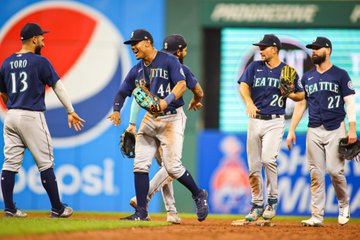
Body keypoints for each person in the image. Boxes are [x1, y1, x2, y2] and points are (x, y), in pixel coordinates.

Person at [107, 29, 208, 221]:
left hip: (172, 118)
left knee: (172, 167)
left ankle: (198, 193)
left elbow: (180, 85)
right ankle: (141, 213)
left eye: (135, 43)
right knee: (140, 164)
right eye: (131, 44)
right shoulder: (137, 69)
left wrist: (166, 101)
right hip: (151, 119)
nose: (133, 47)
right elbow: (123, 91)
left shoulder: (169, 61)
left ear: (147, 42)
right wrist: (117, 110)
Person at [0, 23, 85, 218]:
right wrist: (70, 111)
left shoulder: (6, 62)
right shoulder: (40, 62)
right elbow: (58, 86)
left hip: (11, 115)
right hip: (31, 115)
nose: (43, 42)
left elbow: (3, 93)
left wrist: (14, 106)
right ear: (33, 39)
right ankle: (58, 207)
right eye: (41, 38)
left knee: (10, 163)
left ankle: (9, 209)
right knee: (46, 163)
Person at [233, 34, 305, 223]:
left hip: (275, 120)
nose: (261, 50)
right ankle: (257, 204)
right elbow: (243, 86)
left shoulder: (287, 71)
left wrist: (290, 93)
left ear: (274, 49)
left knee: (268, 159)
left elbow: (300, 97)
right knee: (253, 166)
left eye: (264, 47)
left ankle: (272, 201)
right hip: (255, 120)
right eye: (260, 47)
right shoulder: (255, 67)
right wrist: (248, 102)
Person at [286, 36, 356, 226]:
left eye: (317, 48)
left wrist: (352, 129)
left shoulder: (341, 74)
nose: (313, 51)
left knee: (335, 171)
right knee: (315, 173)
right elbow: (302, 104)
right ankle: (317, 215)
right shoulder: (307, 76)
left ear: (328, 51)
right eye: (312, 48)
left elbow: (350, 102)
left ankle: (343, 205)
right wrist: (291, 130)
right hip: (314, 128)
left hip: (336, 128)